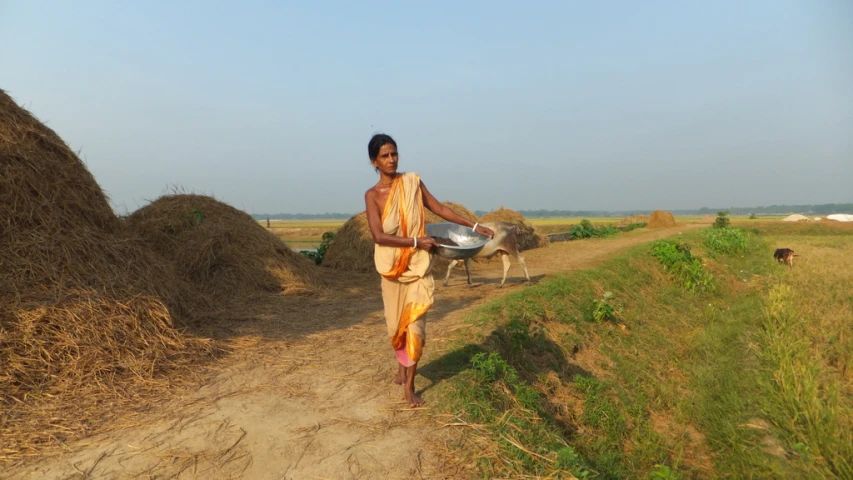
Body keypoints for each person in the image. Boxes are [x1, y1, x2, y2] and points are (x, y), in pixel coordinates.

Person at [364, 133, 495, 407]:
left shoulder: (412, 182)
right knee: (395, 325)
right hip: (391, 270)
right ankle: (402, 368)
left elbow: (439, 208)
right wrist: (415, 241)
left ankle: (409, 387)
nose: (391, 160)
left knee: (416, 327)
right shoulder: (373, 196)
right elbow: (378, 236)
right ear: (374, 161)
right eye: (385, 156)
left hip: (418, 267)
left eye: (394, 154)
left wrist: (473, 226)